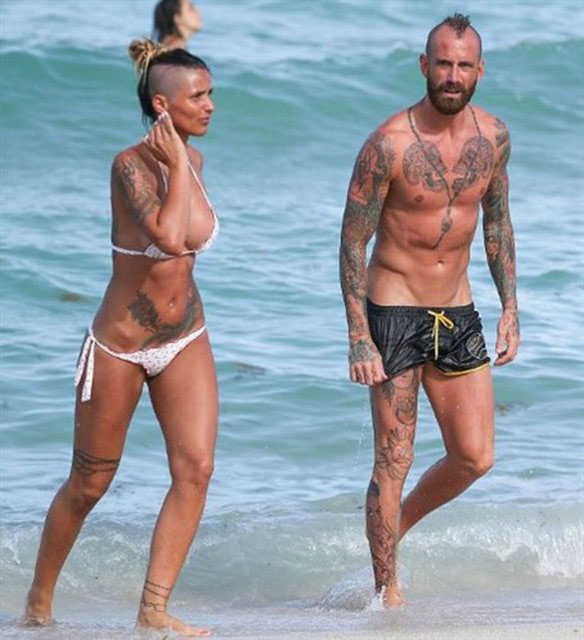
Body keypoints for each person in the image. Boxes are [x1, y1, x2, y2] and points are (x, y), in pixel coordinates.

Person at [23, 39, 217, 637]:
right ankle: (37, 604)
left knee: (196, 469)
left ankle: (153, 610)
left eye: (210, 94)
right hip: (121, 347)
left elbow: (189, 241)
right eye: (197, 96)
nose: (210, 105)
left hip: (185, 336)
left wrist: (182, 162)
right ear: (162, 105)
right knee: (90, 483)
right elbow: (169, 238)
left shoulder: (194, 159)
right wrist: (176, 164)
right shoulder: (129, 166)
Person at [339, 13, 518, 607]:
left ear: (480, 70)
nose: (453, 75)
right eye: (443, 63)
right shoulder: (387, 144)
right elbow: (352, 241)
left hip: (458, 312)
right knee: (394, 459)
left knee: (475, 456)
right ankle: (385, 594)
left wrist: (510, 307)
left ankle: (397, 526)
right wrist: (359, 335)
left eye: (464, 65)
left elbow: (497, 223)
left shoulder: (494, 138)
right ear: (424, 65)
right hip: (395, 312)